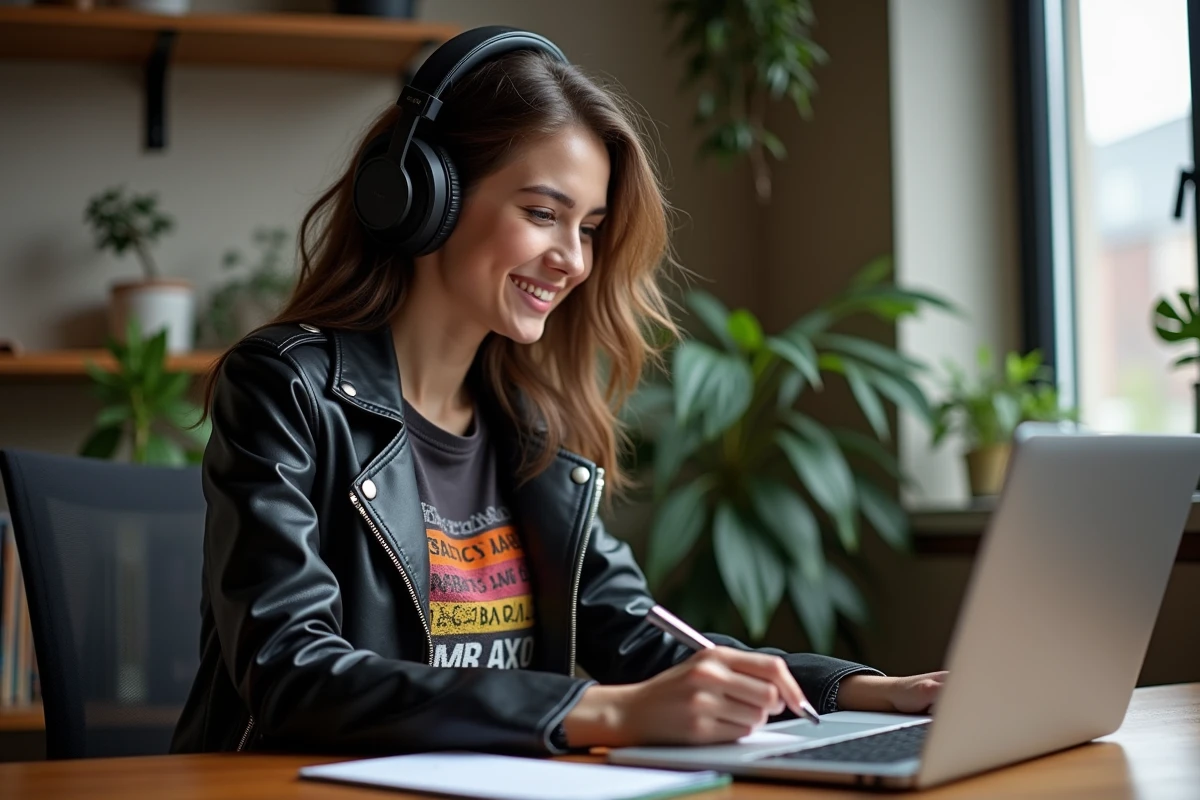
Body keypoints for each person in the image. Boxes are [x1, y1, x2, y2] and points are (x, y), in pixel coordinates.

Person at [171, 26, 945, 757]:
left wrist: (867, 691)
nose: (572, 261)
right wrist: (605, 711)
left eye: (589, 228)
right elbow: (291, 673)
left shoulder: (527, 420)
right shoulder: (286, 387)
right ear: (422, 196)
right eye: (543, 214)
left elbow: (635, 633)